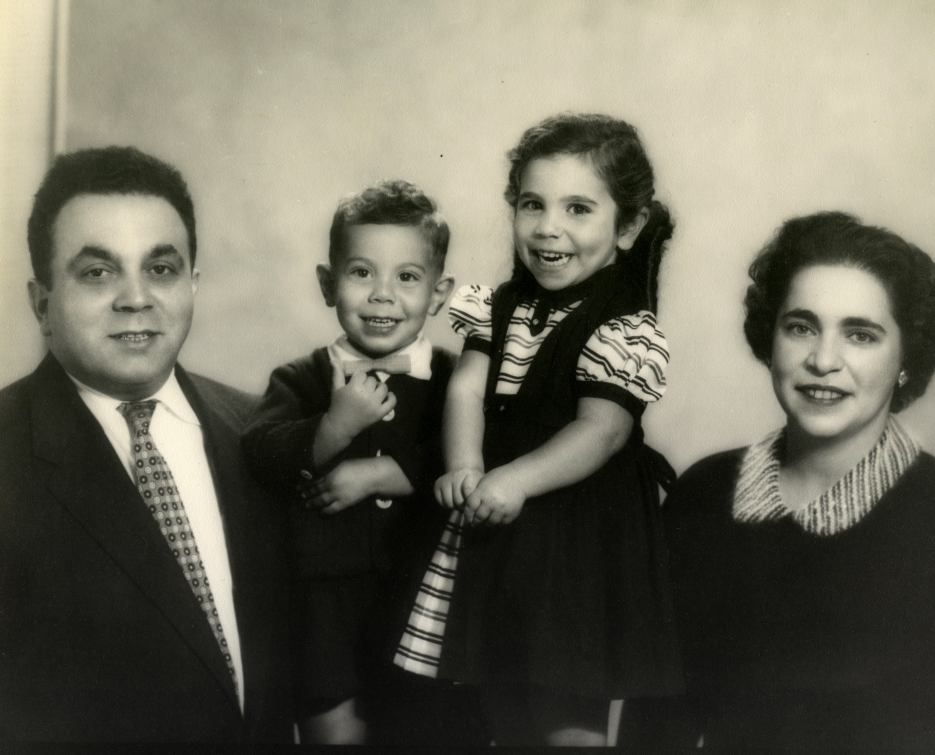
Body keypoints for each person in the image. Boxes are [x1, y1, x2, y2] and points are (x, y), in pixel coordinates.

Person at [391, 113, 683, 746]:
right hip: (498, 516)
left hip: (573, 526)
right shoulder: (500, 307)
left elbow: (602, 431)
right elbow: (468, 385)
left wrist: (517, 480)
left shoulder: (624, 328)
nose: (549, 228)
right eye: (532, 205)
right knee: (492, 689)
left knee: (562, 703)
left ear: (627, 226)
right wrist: (466, 464)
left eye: (579, 208)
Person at [661, 211, 935, 750]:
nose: (822, 360)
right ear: (770, 338)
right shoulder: (700, 495)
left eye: (860, 335)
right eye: (800, 327)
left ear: (906, 359)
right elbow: (658, 723)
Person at [0, 146, 293, 742]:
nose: (136, 298)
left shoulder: (262, 432)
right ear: (41, 304)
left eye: (160, 268)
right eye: (97, 272)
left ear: (193, 283)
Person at [241, 180, 485, 745]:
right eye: (361, 273)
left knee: (422, 731)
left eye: (407, 277)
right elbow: (261, 455)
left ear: (439, 292)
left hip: (420, 593)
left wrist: (385, 473)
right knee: (336, 733)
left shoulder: (456, 381)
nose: (382, 295)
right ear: (328, 284)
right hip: (324, 605)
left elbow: (479, 456)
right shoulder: (301, 378)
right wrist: (333, 428)